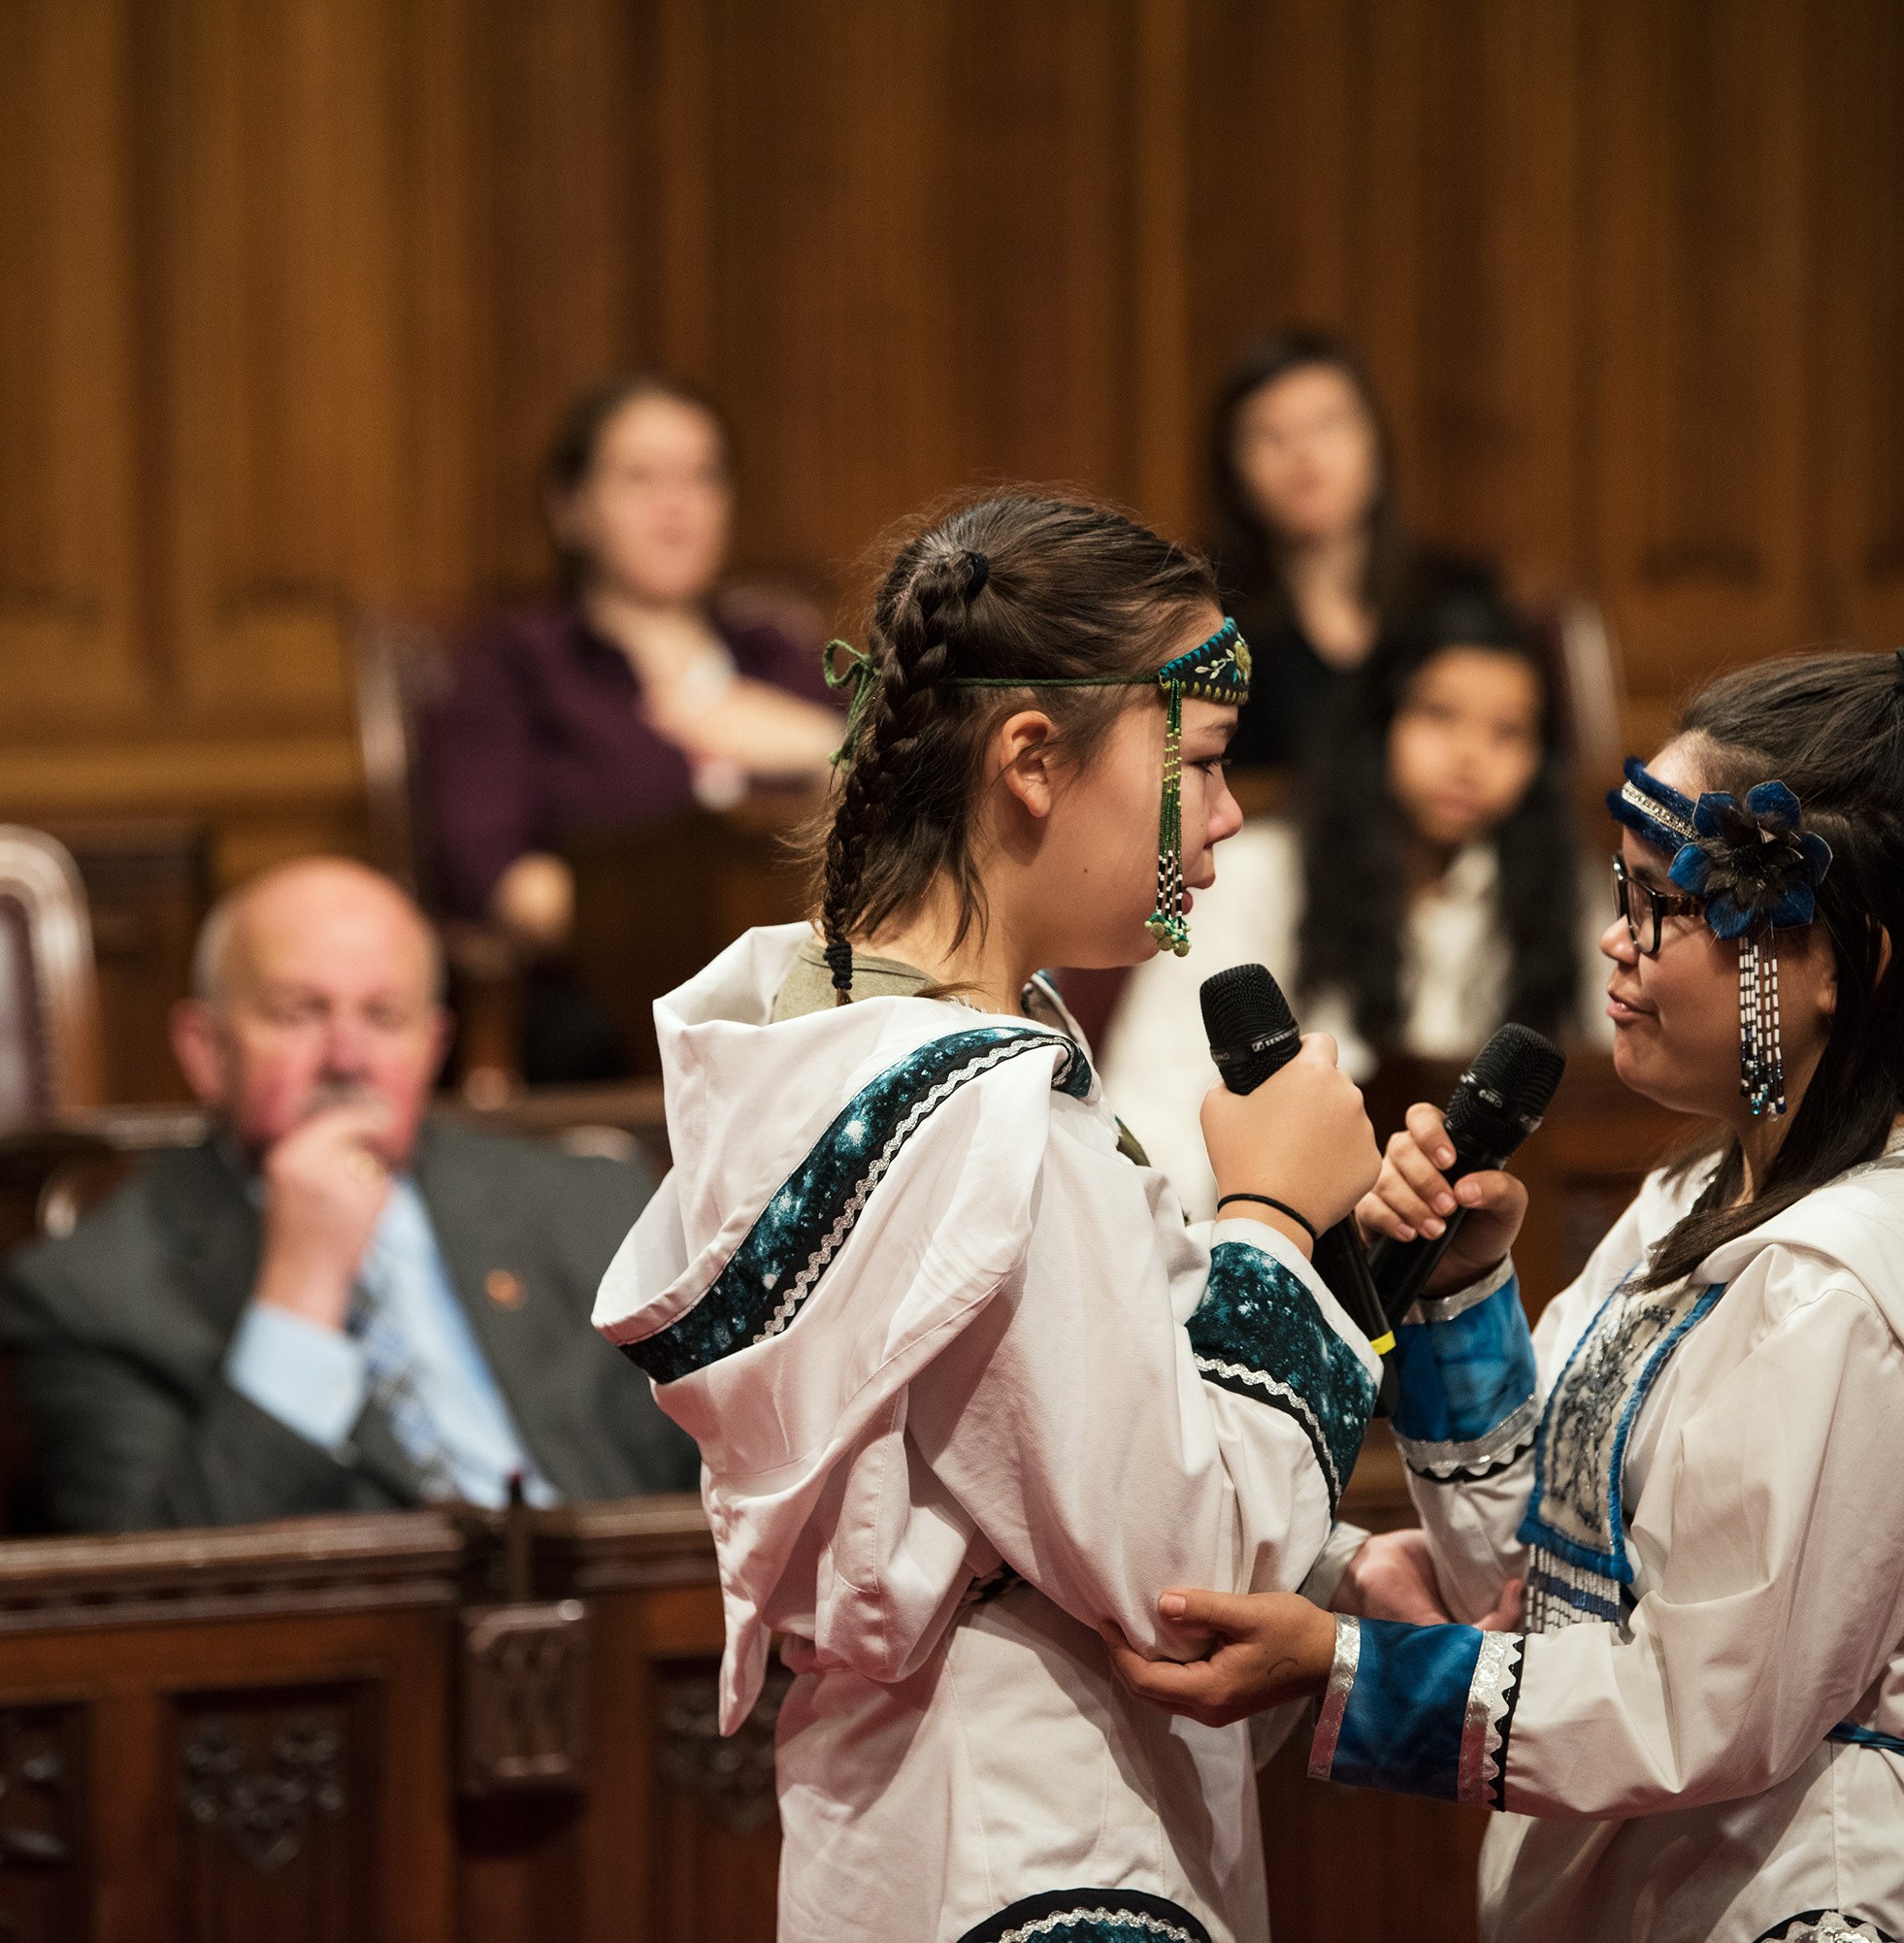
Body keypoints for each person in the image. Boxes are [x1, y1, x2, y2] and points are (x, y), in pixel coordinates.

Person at [1105, 632, 1904, 1941]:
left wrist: (1342, 1666)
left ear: (1846, 959)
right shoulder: (1697, 1198)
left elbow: (1699, 1703)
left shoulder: (1863, 1278)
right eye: (1620, 896)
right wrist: (1460, 1295)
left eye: (1658, 907)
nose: (1612, 946)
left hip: (1811, 1888)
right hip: (1661, 1874)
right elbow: (1526, 1580)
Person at [591, 493, 1392, 1943]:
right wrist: (1273, 1218)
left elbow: (1041, 1479)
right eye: (1199, 765)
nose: (1226, 818)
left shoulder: (821, 1050)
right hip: (1052, 1834)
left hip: (910, 1818)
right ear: (1032, 756)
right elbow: (1186, 1571)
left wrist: (1350, 1578)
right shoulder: (987, 1125)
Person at [0, 857, 696, 1532]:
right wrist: (300, 1294)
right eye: (300, 1012)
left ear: (432, 1045)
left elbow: (730, 1479)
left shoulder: (591, 1206)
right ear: (206, 1049)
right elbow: (166, 1602)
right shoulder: (90, 1295)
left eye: (384, 1017)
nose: (346, 1057)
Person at [1100, 587, 1608, 1208]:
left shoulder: (1565, 900)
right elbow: (1155, 1110)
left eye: (1508, 732)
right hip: (1267, 1234)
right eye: (1439, 715)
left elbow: (1603, 1119)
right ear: (1379, 723)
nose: (1470, 756)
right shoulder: (1260, 876)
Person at [417, 374, 842, 1077]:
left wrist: (815, 742)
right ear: (572, 509)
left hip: (805, 1002)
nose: (675, 508)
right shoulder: (514, 665)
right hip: (599, 1009)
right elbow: (497, 877)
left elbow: (894, 825)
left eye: (701, 477)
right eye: (641, 479)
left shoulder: (778, 655)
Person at [1206, 329, 1499, 774]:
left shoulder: (1459, 596)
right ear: (1234, 469)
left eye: (1328, 425)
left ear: (1375, 443)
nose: (1304, 454)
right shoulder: (1207, 611)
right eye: (1272, 434)